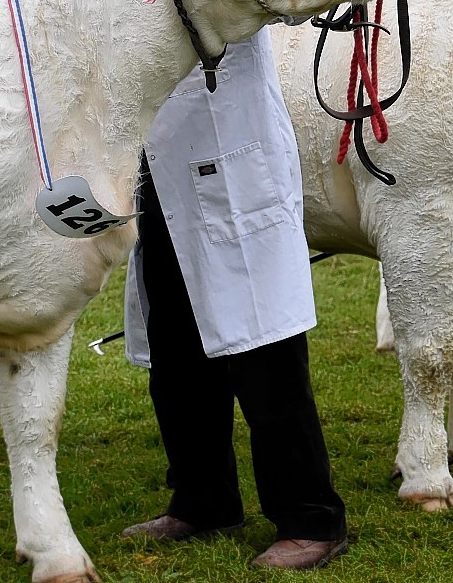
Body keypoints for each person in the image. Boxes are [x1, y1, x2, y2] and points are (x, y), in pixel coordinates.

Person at [120, 32, 349, 571]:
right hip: (161, 165)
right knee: (176, 354)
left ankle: (311, 518)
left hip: (234, 162)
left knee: (265, 356)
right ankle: (203, 501)